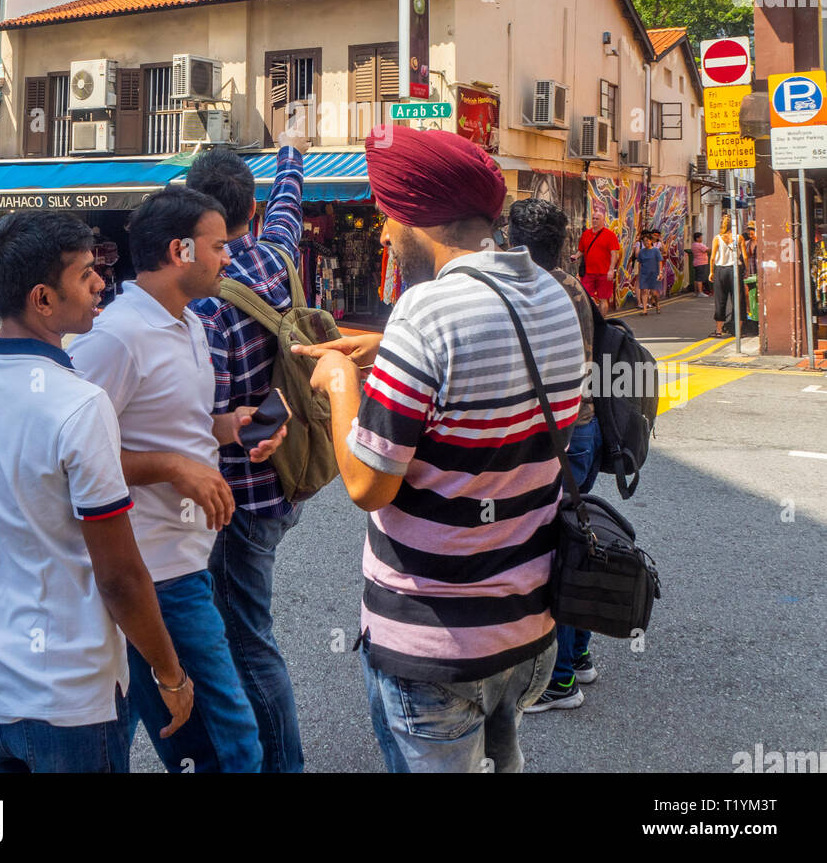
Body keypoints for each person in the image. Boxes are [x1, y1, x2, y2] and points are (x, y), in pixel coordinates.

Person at [296, 127, 585, 773]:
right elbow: (500, 404)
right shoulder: (554, 297)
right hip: (528, 629)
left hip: (434, 644)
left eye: (384, 216)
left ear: (414, 217)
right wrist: (388, 358)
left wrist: (342, 384)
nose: (381, 234)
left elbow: (367, 486)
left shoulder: (422, 311)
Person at [0, 212, 194, 773]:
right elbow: (119, 577)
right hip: (70, 702)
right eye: (86, 273)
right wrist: (170, 673)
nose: (101, 283)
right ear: (43, 299)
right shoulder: (79, 405)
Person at [70, 187, 285, 774]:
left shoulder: (188, 324)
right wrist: (172, 467)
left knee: (155, 728)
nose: (230, 258)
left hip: (189, 554)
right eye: (219, 246)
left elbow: (182, 427)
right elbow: (70, 455)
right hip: (152, 568)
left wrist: (233, 427)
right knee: (231, 739)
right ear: (179, 249)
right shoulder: (114, 338)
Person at [185, 127, 308, 773]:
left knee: (246, 642)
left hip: (237, 498)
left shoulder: (209, 298)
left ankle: (281, 765)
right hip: (285, 480)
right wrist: (291, 150)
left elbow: (211, 420)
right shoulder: (279, 255)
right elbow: (288, 202)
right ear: (249, 212)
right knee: (246, 634)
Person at [506, 198, 601, 712]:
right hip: (582, 432)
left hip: (557, 437)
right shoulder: (571, 284)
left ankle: (559, 677)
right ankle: (578, 656)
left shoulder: (537, 290)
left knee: (555, 555)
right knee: (572, 543)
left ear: (513, 243)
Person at [577, 206, 621, 317]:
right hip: (589, 272)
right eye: (593, 218)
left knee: (603, 299)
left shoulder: (610, 235)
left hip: (604, 273)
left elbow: (614, 254)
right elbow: (581, 251)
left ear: (603, 221)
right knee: (585, 296)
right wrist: (575, 256)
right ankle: (590, 319)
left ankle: (602, 322)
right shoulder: (586, 234)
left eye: (597, 219)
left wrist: (611, 270)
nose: (595, 220)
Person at [709, 214, 740, 337]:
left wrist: (711, 272)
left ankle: (719, 330)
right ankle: (738, 329)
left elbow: (712, 258)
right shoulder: (738, 238)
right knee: (736, 300)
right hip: (734, 270)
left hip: (721, 271)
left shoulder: (717, 238)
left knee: (720, 301)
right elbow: (744, 256)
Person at [635, 231, 664, 315]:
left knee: (654, 292)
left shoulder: (656, 250)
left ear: (651, 241)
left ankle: (657, 303)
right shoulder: (641, 252)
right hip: (644, 273)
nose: (646, 242)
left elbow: (660, 262)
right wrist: (640, 274)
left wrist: (660, 272)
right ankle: (644, 310)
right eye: (644, 241)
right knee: (644, 291)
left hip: (654, 274)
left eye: (647, 240)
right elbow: (640, 263)